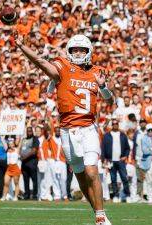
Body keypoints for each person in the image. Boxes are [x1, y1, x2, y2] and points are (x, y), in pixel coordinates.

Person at [15, 33, 113, 224]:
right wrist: (22, 46)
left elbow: (110, 101)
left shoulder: (97, 71)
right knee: (81, 176)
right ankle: (98, 214)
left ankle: (100, 216)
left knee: (91, 170)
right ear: (69, 51)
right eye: (74, 49)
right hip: (67, 130)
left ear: (88, 52)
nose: (77, 52)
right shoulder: (63, 67)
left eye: (81, 49)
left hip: (88, 127)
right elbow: (41, 62)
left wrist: (103, 88)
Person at [101, 119, 131, 203]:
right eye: (113, 124)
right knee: (113, 179)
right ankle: (115, 195)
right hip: (111, 161)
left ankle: (127, 195)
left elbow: (127, 148)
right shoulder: (107, 136)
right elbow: (103, 148)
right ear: (111, 125)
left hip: (121, 160)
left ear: (118, 125)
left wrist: (125, 156)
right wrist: (104, 160)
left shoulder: (122, 135)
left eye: (116, 124)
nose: (115, 125)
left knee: (124, 178)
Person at [20, 126, 39, 200]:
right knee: (25, 180)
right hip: (24, 163)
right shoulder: (24, 139)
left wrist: (24, 157)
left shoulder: (35, 139)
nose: (29, 132)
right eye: (28, 131)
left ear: (32, 131)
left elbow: (34, 151)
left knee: (34, 180)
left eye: (30, 131)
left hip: (32, 162)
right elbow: (21, 149)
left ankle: (34, 195)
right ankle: (26, 195)